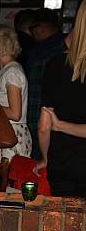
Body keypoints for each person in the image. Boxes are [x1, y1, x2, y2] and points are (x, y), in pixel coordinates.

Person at [34, 0, 86, 197]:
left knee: (61, 224)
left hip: (61, 164)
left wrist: (46, 158)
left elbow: (44, 126)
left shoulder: (55, 64)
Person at [0, 23, 32, 164]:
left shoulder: (12, 73)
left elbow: (15, 113)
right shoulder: (8, 71)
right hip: (9, 134)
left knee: (10, 183)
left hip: (12, 136)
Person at [26, 8, 65, 159]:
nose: (33, 33)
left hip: (41, 117)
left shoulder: (42, 51)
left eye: (33, 28)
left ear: (41, 27)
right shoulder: (62, 48)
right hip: (55, 120)